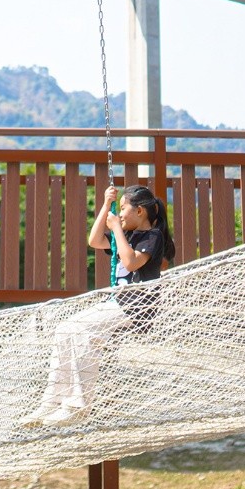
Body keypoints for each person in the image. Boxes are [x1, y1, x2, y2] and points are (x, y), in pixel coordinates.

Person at [21, 183, 175, 427]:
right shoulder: (128, 235)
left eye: (123, 208)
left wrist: (116, 229)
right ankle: (52, 402)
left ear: (140, 212)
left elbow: (131, 262)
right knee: (65, 329)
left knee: (83, 332)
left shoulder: (152, 237)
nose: (120, 213)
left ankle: (78, 405)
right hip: (118, 304)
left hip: (137, 307)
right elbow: (94, 240)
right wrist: (105, 206)